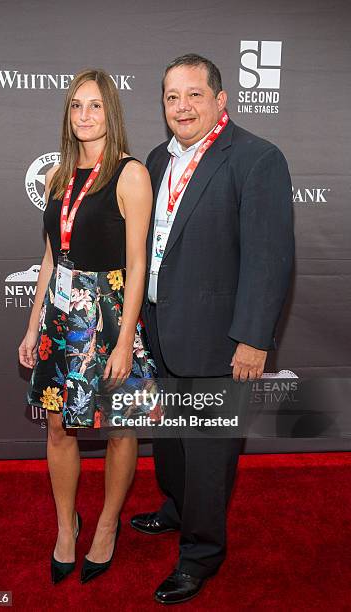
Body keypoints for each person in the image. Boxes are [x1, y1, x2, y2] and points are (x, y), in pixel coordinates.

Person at [130, 54, 295, 605]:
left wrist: (252, 339)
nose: (182, 106)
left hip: (221, 341)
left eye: (194, 94)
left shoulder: (256, 158)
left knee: (208, 454)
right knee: (174, 444)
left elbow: (268, 259)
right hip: (163, 330)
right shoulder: (157, 159)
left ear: (221, 99)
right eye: (172, 96)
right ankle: (177, 511)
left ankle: (200, 554)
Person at [18, 68, 157, 585]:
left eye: (95, 105)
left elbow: (139, 263)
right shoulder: (59, 176)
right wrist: (34, 327)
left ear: (111, 112)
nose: (84, 115)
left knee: (120, 427)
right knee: (58, 426)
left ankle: (105, 526)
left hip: (112, 313)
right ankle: (65, 526)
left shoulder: (130, 174)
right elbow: (51, 258)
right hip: (62, 313)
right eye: (76, 105)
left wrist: (125, 342)